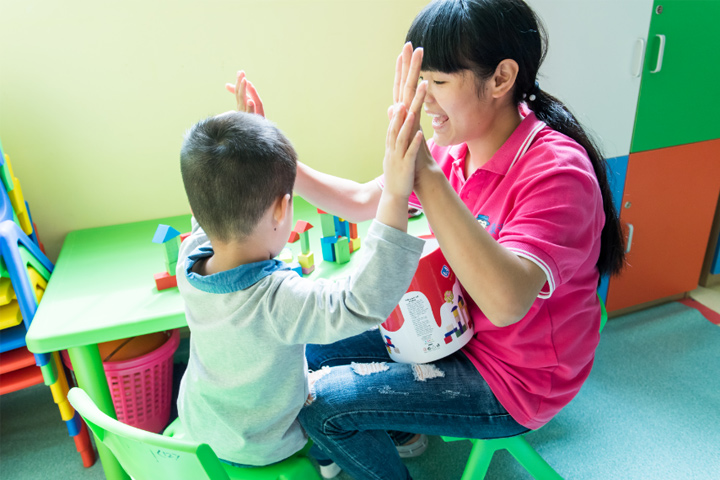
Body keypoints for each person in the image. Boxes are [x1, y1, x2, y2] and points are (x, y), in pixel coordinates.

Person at [229, 0, 625, 478]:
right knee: (313, 344)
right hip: (455, 331)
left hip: (518, 380)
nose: (424, 100)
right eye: (420, 81)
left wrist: (427, 174)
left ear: (501, 79)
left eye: (438, 82)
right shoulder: (453, 148)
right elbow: (362, 200)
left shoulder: (557, 173)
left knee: (323, 406)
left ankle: (378, 432)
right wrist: (277, 157)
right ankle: (401, 430)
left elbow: (505, 304)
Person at [174, 91, 428, 467]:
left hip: (204, 424)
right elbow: (359, 303)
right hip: (265, 442)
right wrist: (395, 194)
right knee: (337, 402)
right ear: (283, 208)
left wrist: (246, 137)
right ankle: (328, 455)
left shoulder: (189, 260)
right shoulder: (276, 300)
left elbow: (216, 196)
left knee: (315, 359)